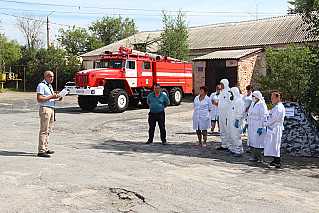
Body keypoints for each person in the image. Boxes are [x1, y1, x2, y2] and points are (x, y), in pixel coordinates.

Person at [36, 71, 61, 158]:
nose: (52, 78)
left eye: (53, 77)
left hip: (51, 108)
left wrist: (56, 99)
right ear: (45, 77)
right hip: (45, 108)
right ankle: (41, 150)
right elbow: (39, 99)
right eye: (50, 76)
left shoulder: (49, 86)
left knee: (48, 130)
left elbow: (49, 98)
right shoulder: (41, 85)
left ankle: (45, 147)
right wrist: (52, 97)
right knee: (44, 129)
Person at [263, 92, 285, 168]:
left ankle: (277, 162)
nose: (271, 100)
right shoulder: (276, 107)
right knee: (272, 144)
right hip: (273, 128)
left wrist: (266, 123)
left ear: (278, 98)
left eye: (273, 98)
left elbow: (274, 119)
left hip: (276, 128)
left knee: (275, 145)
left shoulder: (279, 108)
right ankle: (275, 160)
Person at [247, 91, 268, 163]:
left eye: (253, 96)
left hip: (257, 125)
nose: (252, 98)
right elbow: (249, 115)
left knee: (258, 142)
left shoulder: (262, 104)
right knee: (251, 141)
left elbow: (264, 116)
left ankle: (259, 157)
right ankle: (253, 156)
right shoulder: (252, 103)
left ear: (257, 97)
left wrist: (261, 127)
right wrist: (246, 124)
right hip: (251, 125)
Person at [227, 87, 245, 157]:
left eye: (231, 93)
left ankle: (239, 150)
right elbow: (229, 111)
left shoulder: (239, 101)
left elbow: (240, 112)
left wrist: (237, 119)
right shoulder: (232, 101)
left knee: (236, 137)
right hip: (230, 121)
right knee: (230, 136)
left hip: (235, 122)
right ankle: (232, 149)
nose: (231, 94)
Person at [216, 79, 231, 150]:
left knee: (227, 130)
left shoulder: (229, 92)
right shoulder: (222, 93)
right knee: (222, 129)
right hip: (221, 114)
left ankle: (229, 145)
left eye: (222, 84)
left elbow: (230, 104)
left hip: (226, 114)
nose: (221, 86)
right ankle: (224, 144)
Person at [242, 85, 253, 153]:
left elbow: (252, 103)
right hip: (245, 111)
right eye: (247, 90)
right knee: (246, 122)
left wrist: (248, 107)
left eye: (249, 89)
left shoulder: (253, 96)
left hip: (250, 111)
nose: (248, 91)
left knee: (249, 125)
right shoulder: (245, 96)